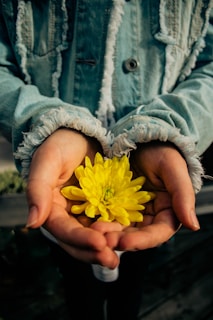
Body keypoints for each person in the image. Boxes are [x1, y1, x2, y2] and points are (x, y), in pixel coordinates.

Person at [0, 1, 212, 319]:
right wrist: (41, 123)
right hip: (59, 187)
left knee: (133, 278)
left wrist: (172, 126)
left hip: (151, 197)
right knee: (76, 281)